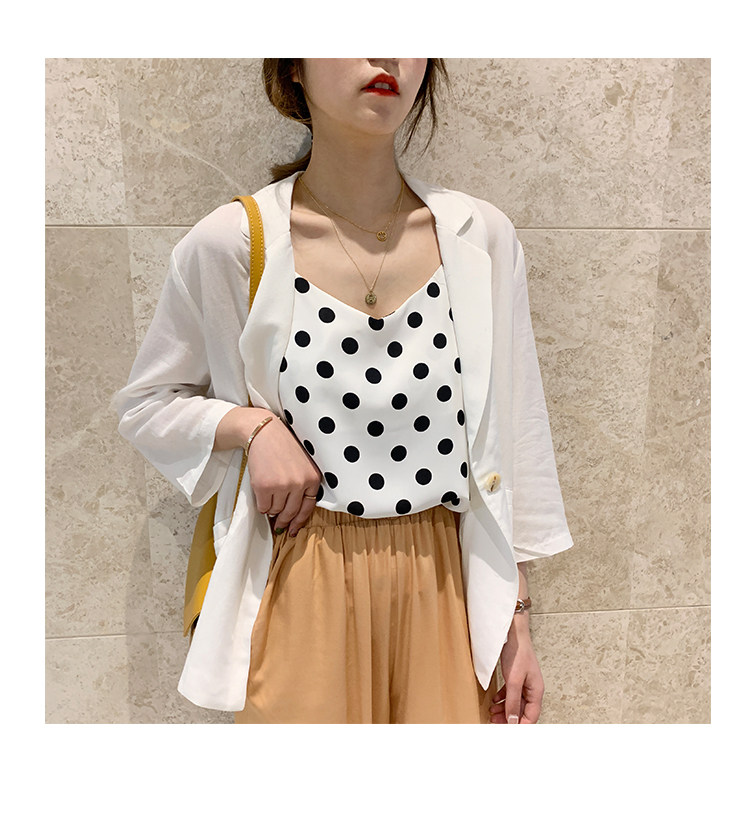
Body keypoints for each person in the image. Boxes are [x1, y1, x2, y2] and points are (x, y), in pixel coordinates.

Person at [112, 58, 573, 724]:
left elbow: (514, 430)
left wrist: (517, 620)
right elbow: (148, 403)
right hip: (301, 580)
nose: (384, 52)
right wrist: (252, 429)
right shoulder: (234, 244)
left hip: (448, 586)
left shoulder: (480, 239)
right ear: (294, 68)